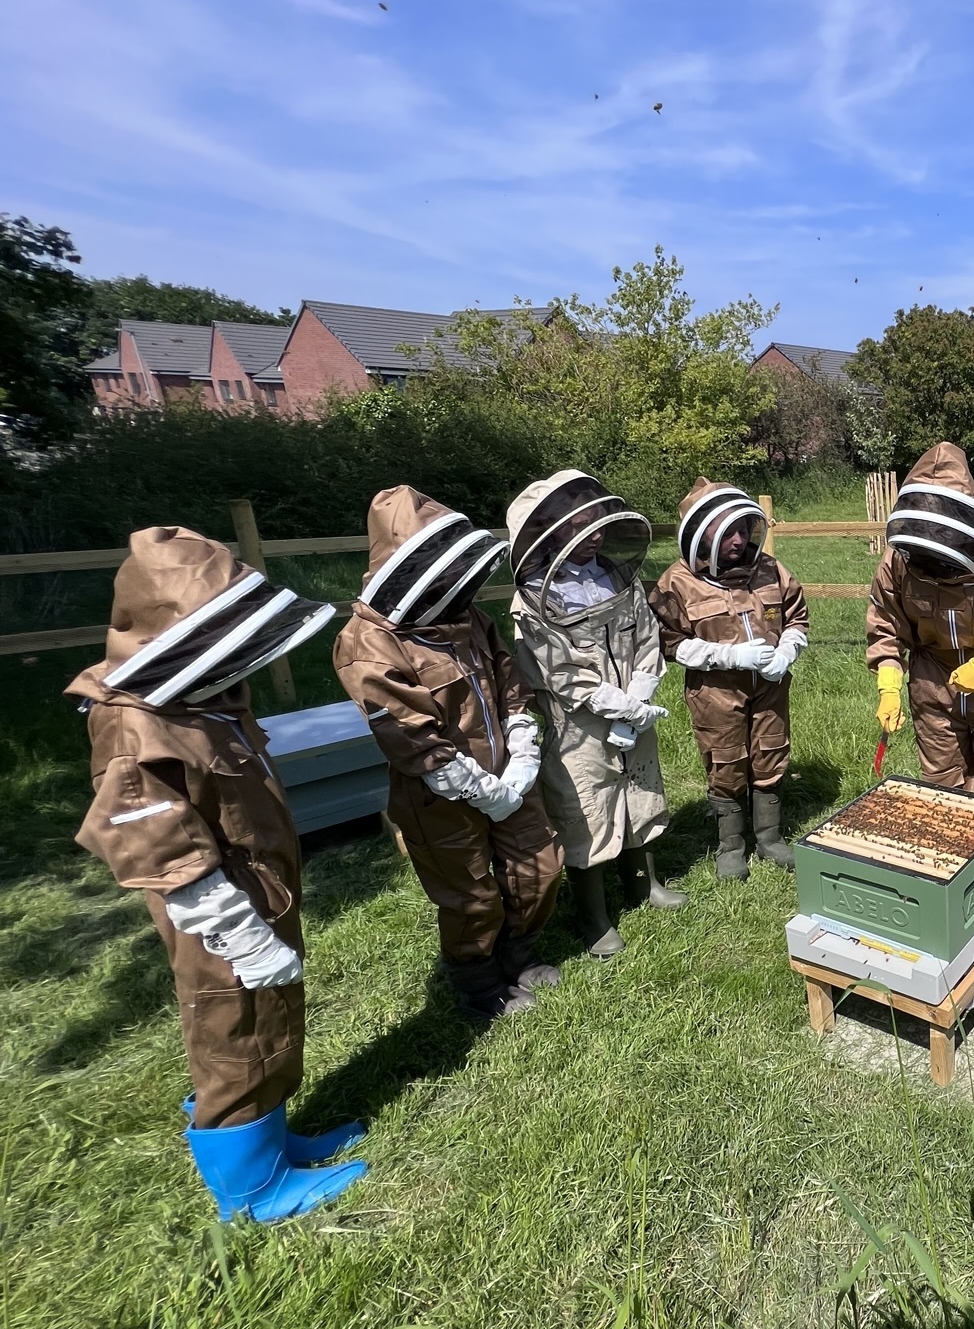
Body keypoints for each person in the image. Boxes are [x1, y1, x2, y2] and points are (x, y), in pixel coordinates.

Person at [70, 527, 368, 1222]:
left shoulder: (205, 699)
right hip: (216, 916)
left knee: (267, 1018)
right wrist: (237, 928)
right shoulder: (133, 725)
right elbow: (151, 841)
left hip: (254, 893)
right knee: (231, 1029)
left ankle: (270, 1139)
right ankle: (251, 1189)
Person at [333, 487, 563, 1022]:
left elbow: (511, 687)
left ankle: (519, 954)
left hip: (510, 773)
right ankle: (478, 983)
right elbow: (408, 731)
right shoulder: (367, 642)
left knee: (539, 865)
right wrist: (477, 786)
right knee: (468, 892)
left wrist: (523, 752)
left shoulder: (470, 620)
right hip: (437, 792)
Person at [507, 470, 679, 955]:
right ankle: (594, 917)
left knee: (641, 788)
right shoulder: (534, 599)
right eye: (581, 526)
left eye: (599, 522)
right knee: (587, 804)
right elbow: (560, 673)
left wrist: (641, 693)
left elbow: (646, 636)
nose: (597, 534)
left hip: (636, 709)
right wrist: (617, 705)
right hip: (578, 722)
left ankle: (645, 884)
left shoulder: (615, 575)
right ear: (549, 529)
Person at [649, 480, 808, 879]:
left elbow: (797, 618)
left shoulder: (770, 569)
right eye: (727, 532)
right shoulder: (676, 583)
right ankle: (731, 845)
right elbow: (669, 642)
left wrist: (788, 650)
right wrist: (730, 655)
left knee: (770, 751)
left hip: (770, 686)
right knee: (726, 760)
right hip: (715, 692)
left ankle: (770, 838)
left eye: (743, 529)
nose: (738, 540)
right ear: (702, 536)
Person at [866, 442, 974, 804]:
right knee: (942, 783)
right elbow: (884, 623)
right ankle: (956, 857)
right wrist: (888, 682)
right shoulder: (897, 561)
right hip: (933, 682)